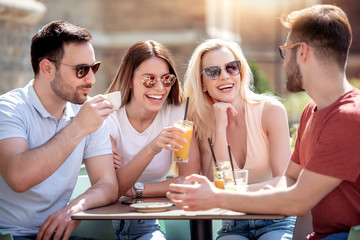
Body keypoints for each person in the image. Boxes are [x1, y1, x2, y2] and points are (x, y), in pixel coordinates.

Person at [167, 4, 360, 240]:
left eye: (285, 51)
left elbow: (298, 200)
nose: (284, 61)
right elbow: (289, 178)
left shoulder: (348, 116)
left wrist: (219, 196)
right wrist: (260, 193)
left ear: (303, 53)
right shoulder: (312, 110)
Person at [0, 20, 118, 240]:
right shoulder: (8, 109)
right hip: (11, 235)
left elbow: (107, 184)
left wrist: (72, 211)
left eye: (94, 67)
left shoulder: (86, 112)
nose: (92, 79)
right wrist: (78, 128)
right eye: (81, 70)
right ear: (47, 68)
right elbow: (18, 177)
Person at [183, 38, 295, 239]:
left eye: (231, 68)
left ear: (240, 72)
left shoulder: (270, 110)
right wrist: (219, 127)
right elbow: (218, 184)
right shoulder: (202, 124)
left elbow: (285, 179)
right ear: (202, 83)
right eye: (213, 72)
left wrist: (237, 192)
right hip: (233, 225)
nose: (224, 77)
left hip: (277, 219)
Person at [105, 40, 200, 240]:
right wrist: (153, 147)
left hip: (150, 219)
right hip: (106, 218)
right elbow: (112, 189)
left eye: (166, 79)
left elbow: (188, 182)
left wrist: (135, 190)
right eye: (149, 79)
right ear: (129, 79)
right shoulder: (110, 118)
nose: (159, 88)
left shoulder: (179, 114)